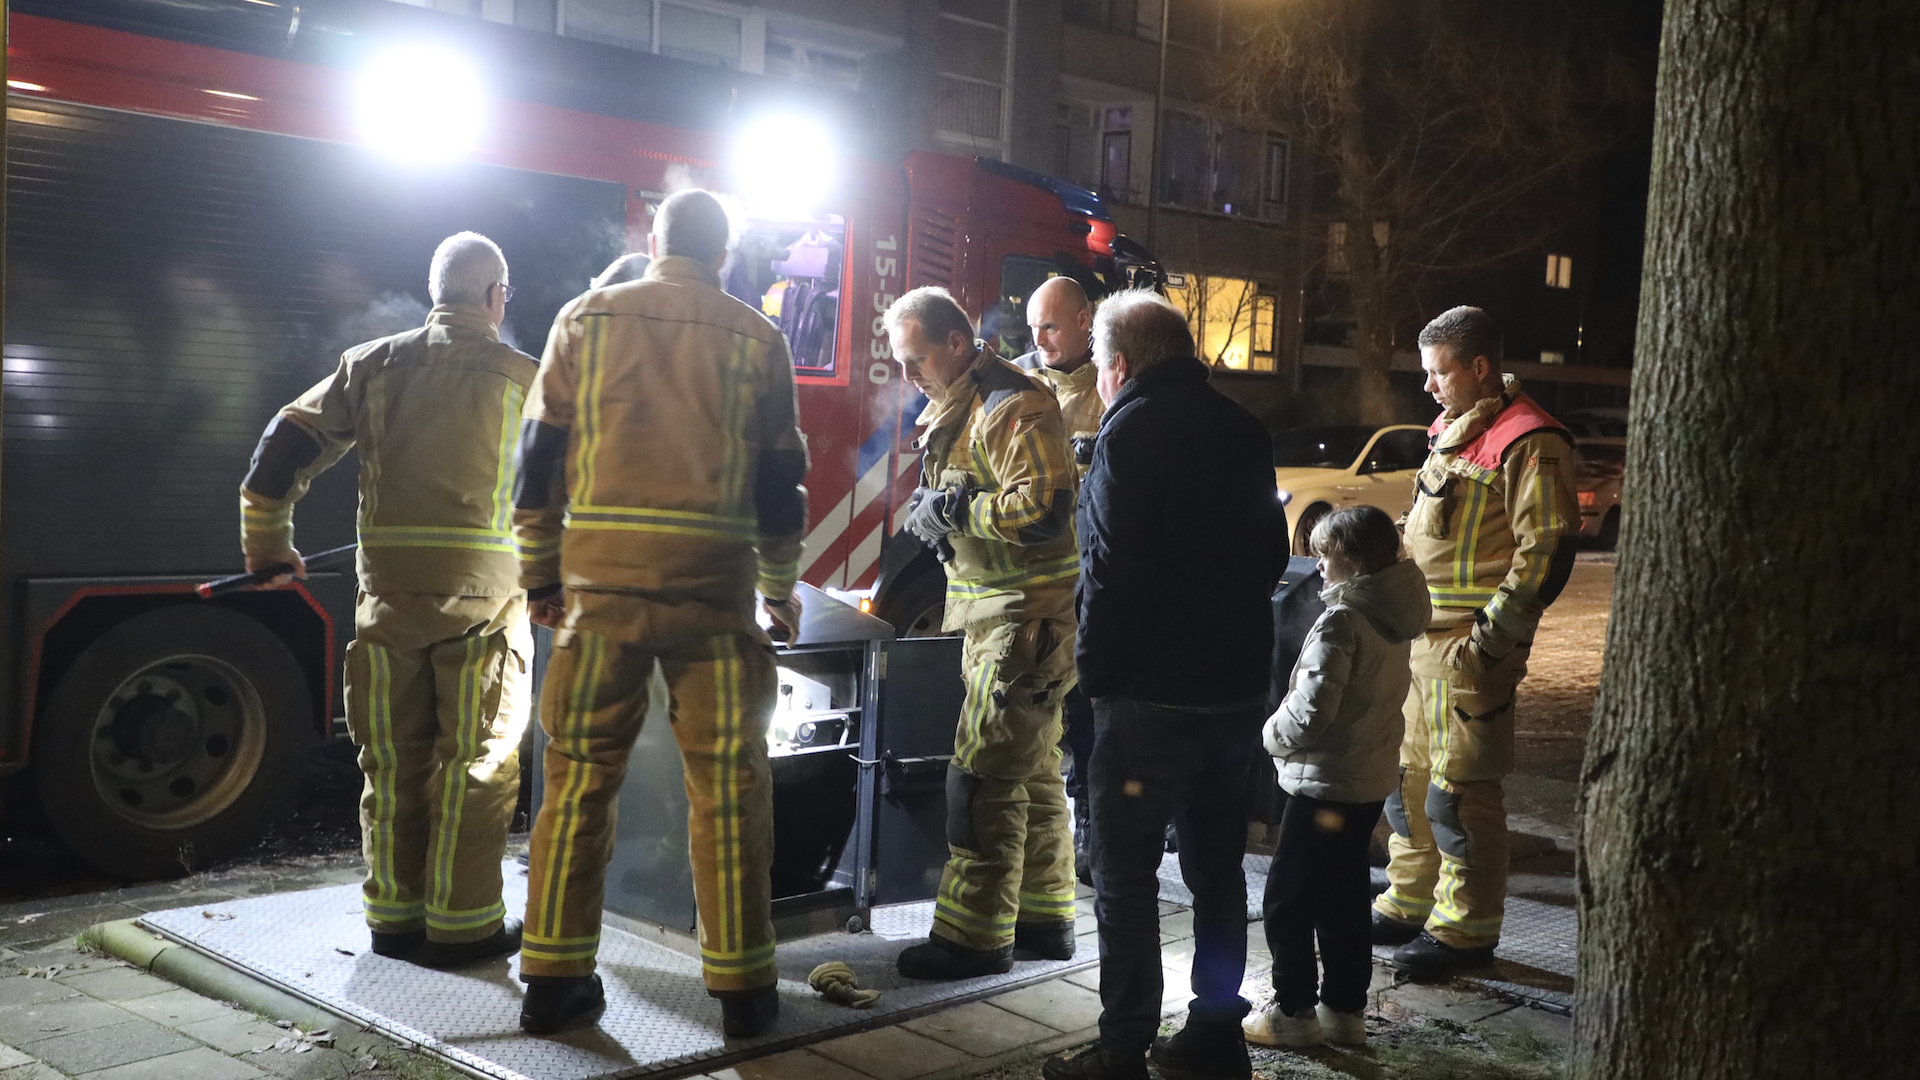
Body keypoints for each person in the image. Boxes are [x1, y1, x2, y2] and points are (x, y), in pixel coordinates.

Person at [511, 189, 808, 1036]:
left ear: (652, 241)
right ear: (724, 254)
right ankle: (745, 993)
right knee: (729, 787)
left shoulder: (585, 318)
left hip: (599, 600)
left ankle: (554, 981)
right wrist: (778, 591)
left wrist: (541, 578)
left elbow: (537, 464)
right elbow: (779, 487)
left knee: (576, 782)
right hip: (714, 604)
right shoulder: (758, 336)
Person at [238, 232, 534, 969]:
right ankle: (463, 928)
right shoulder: (526, 379)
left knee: (394, 761)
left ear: (437, 293)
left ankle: (392, 921)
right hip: (486, 609)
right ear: (496, 296)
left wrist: (267, 543)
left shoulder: (371, 365)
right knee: (478, 765)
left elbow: (283, 445)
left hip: (389, 602)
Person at [1046, 290, 1284, 1080]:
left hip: (1148, 701)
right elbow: (1273, 556)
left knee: (1125, 876)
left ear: (1117, 365)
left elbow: (1111, 577)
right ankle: (1216, 1037)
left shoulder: (1127, 434)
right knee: (1218, 871)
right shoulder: (1243, 428)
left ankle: (1121, 1051)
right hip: (1234, 695)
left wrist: (1097, 679)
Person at [1370, 305, 1579, 978]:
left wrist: (1490, 643)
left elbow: (1545, 552)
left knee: (1461, 791)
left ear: (1479, 368)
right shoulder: (1455, 432)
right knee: (1410, 783)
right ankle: (1410, 899)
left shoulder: (1529, 440)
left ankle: (1466, 929)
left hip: (1466, 654)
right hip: (1424, 645)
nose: (1428, 386)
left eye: (1438, 372)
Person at [885, 285, 1082, 979]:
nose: (908, 376)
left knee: (981, 778)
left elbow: (1046, 512)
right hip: (1006, 618)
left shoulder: (1010, 403)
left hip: (1021, 622)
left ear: (957, 344)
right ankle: (1044, 917)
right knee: (1031, 775)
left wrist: (957, 512)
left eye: (916, 360)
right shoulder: (968, 403)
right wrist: (938, 511)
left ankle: (973, 937)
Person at [1243, 507, 1428, 1048]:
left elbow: (1311, 711)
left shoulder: (1344, 619)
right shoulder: (1396, 612)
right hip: (1367, 779)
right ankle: (1344, 1010)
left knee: (1287, 897)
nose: (1319, 566)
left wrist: (1266, 737)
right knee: (1344, 896)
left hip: (1325, 782)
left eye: (1326, 555)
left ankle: (1293, 1013)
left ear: (1355, 557)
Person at [1012, 277, 1103, 885]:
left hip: (1091, 584)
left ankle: (1094, 843)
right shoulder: (1015, 382)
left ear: (1085, 319)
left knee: (1090, 721)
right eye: (1032, 329)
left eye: (1050, 326)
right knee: (1030, 721)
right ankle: (1032, 850)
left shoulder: (1113, 382)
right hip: (1030, 586)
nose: (1040, 340)